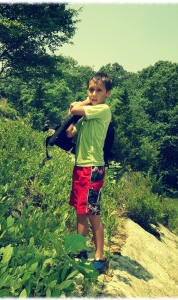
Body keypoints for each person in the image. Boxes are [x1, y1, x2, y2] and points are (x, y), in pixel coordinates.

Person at [66, 72, 112, 274]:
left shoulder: (103, 109)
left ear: (107, 93)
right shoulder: (87, 115)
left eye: (98, 90)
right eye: (91, 90)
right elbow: (72, 132)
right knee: (80, 210)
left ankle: (100, 258)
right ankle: (79, 249)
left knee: (93, 213)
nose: (93, 94)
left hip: (93, 168)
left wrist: (82, 103)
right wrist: (70, 128)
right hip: (80, 167)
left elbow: (76, 109)